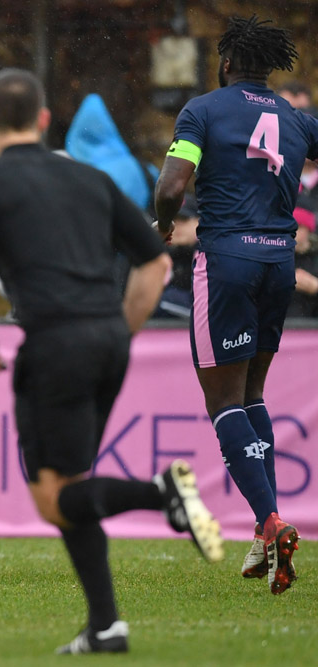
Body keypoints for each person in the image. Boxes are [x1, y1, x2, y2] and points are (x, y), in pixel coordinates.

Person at [0, 68, 223, 655]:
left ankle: (162, 493)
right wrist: (119, 331)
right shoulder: (91, 178)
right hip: (107, 341)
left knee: (52, 498)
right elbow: (156, 264)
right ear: (46, 119)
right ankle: (105, 627)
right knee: (71, 485)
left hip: (54, 345)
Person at [155, 15, 316, 596]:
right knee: (252, 395)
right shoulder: (297, 119)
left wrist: (164, 223)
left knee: (223, 401)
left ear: (225, 63)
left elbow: (172, 186)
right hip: (279, 264)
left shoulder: (203, 110)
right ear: (270, 68)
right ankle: (263, 527)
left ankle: (271, 521)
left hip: (226, 260)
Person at [153, 197, 199, 319]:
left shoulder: (209, 256)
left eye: (184, 219)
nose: (176, 225)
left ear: (199, 221)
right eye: (171, 220)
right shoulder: (160, 254)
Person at [288, 202, 318, 317]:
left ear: (308, 229)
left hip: (312, 324)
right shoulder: (275, 256)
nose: (293, 232)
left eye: (298, 227)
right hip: (282, 323)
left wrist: (315, 287)